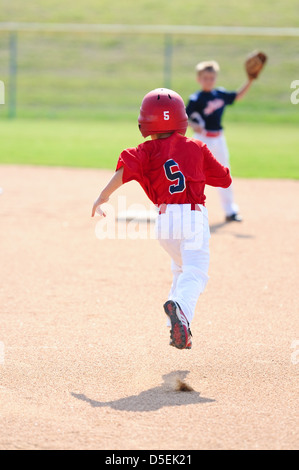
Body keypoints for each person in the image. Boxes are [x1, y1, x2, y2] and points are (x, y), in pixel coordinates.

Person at [91, 88, 232, 350]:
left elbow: (125, 169)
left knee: (180, 269)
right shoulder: (196, 147)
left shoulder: (145, 151)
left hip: (164, 222)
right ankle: (180, 309)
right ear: (182, 119)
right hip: (192, 217)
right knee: (196, 272)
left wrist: (103, 196)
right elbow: (224, 179)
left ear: (144, 123)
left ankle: (178, 327)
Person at [186, 60, 253, 222]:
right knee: (195, 174)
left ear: (215, 78)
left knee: (224, 173)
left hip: (218, 139)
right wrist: (194, 125)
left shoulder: (220, 94)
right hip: (202, 140)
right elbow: (184, 117)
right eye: (205, 77)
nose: (208, 80)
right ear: (198, 79)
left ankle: (230, 211)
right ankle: (188, 209)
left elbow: (238, 96)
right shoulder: (196, 98)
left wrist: (250, 80)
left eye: (211, 77)